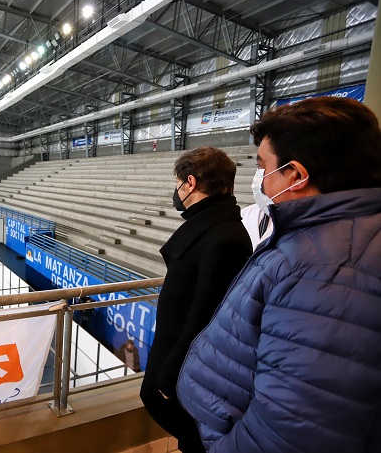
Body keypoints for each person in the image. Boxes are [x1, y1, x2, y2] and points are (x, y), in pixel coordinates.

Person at [177, 97, 381, 453]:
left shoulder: (326, 269)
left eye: (264, 167)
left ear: (297, 175)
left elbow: (292, 430)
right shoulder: (330, 239)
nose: (262, 181)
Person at [140, 146, 252, 453]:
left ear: (190, 183)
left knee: (194, 434)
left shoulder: (225, 237)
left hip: (184, 363)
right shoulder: (212, 224)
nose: (176, 192)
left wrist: (170, 374)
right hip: (174, 351)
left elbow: (206, 316)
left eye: (178, 184)